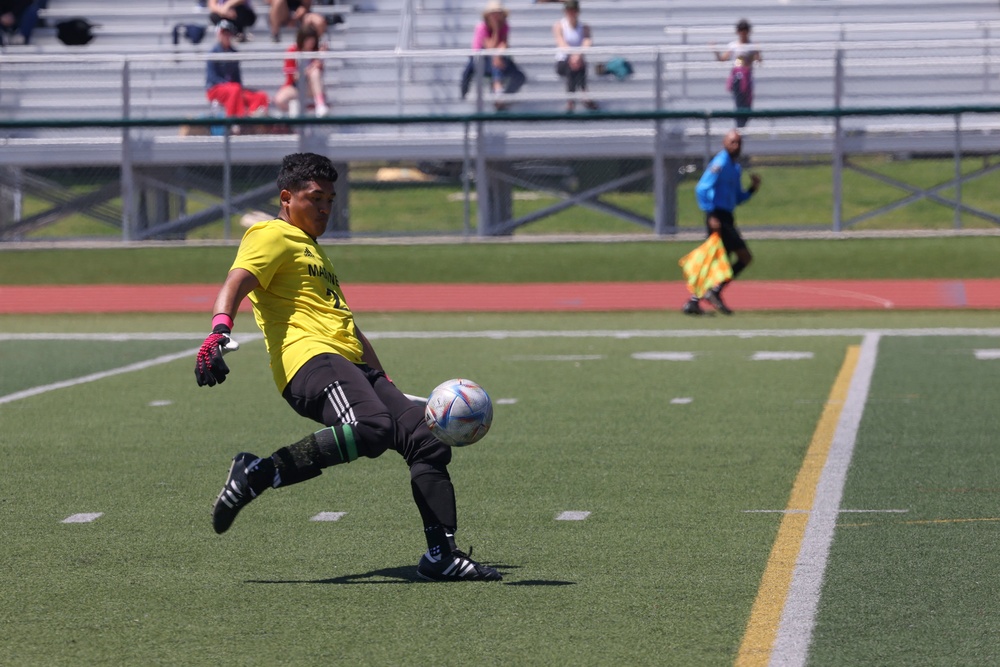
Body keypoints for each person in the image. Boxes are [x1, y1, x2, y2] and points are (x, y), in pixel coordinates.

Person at [195, 152, 502, 582]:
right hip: (310, 361)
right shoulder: (271, 234)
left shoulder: (314, 251)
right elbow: (237, 282)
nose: (325, 208)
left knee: (425, 439)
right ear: (287, 198)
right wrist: (218, 330)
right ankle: (258, 473)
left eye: (330, 200)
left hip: (352, 365)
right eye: (315, 198)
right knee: (371, 428)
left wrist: (386, 384)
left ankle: (441, 555)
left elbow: (348, 326)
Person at [682, 129, 761, 316]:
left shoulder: (735, 167)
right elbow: (701, 188)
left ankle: (694, 301)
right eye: (733, 142)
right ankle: (714, 292)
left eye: (739, 143)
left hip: (726, 216)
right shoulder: (720, 162)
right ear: (725, 143)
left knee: (715, 260)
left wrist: (752, 189)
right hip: (718, 217)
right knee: (744, 257)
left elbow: (736, 198)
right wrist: (711, 214)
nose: (737, 146)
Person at [459, 0, 525, 110]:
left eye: (498, 13)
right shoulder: (481, 28)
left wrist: (498, 55)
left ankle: (504, 96)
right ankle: (497, 94)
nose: (496, 16)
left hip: (497, 56)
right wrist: (496, 30)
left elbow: (504, 44)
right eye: (493, 13)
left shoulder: (505, 26)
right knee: (493, 63)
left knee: (520, 76)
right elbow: (490, 47)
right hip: (480, 59)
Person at [205, 19, 270, 120]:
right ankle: (236, 122)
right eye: (224, 33)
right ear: (218, 34)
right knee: (235, 89)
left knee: (260, 96)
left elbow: (237, 78)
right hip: (215, 89)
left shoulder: (234, 53)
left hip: (233, 89)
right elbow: (213, 78)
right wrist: (230, 85)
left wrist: (239, 88)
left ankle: (254, 121)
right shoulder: (213, 53)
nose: (226, 36)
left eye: (228, 33)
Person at [714, 18, 762, 128]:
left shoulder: (752, 46)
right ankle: (739, 126)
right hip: (737, 77)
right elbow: (723, 59)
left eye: (745, 30)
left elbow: (758, 60)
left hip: (747, 77)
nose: (743, 33)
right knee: (739, 103)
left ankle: (742, 125)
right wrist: (715, 51)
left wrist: (757, 51)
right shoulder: (733, 45)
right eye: (741, 30)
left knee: (747, 104)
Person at [274, 24, 329, 117]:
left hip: (311, 87)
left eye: (313, 39)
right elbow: (294, 76)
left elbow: (319, 74)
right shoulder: (292, 51)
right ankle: (298, 111)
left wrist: (320, 58)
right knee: (279, 100)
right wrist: (312, 66)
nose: (311, 42)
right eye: (308, 40)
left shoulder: (315, 53)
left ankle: (320, 105)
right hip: (296, 87)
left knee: (315, 73)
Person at [552, 0, 597, 112]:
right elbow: (561, 43)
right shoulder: (559, 26)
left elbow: (587, 41)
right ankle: (581, 94)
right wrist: (573, 55)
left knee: (579, 65)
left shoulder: (584, 27)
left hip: (578, 60)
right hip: (563, 61)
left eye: (573, 10)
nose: (571, 13)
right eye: (569, 11)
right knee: (571, 66)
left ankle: (574, 98)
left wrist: (578, 55)